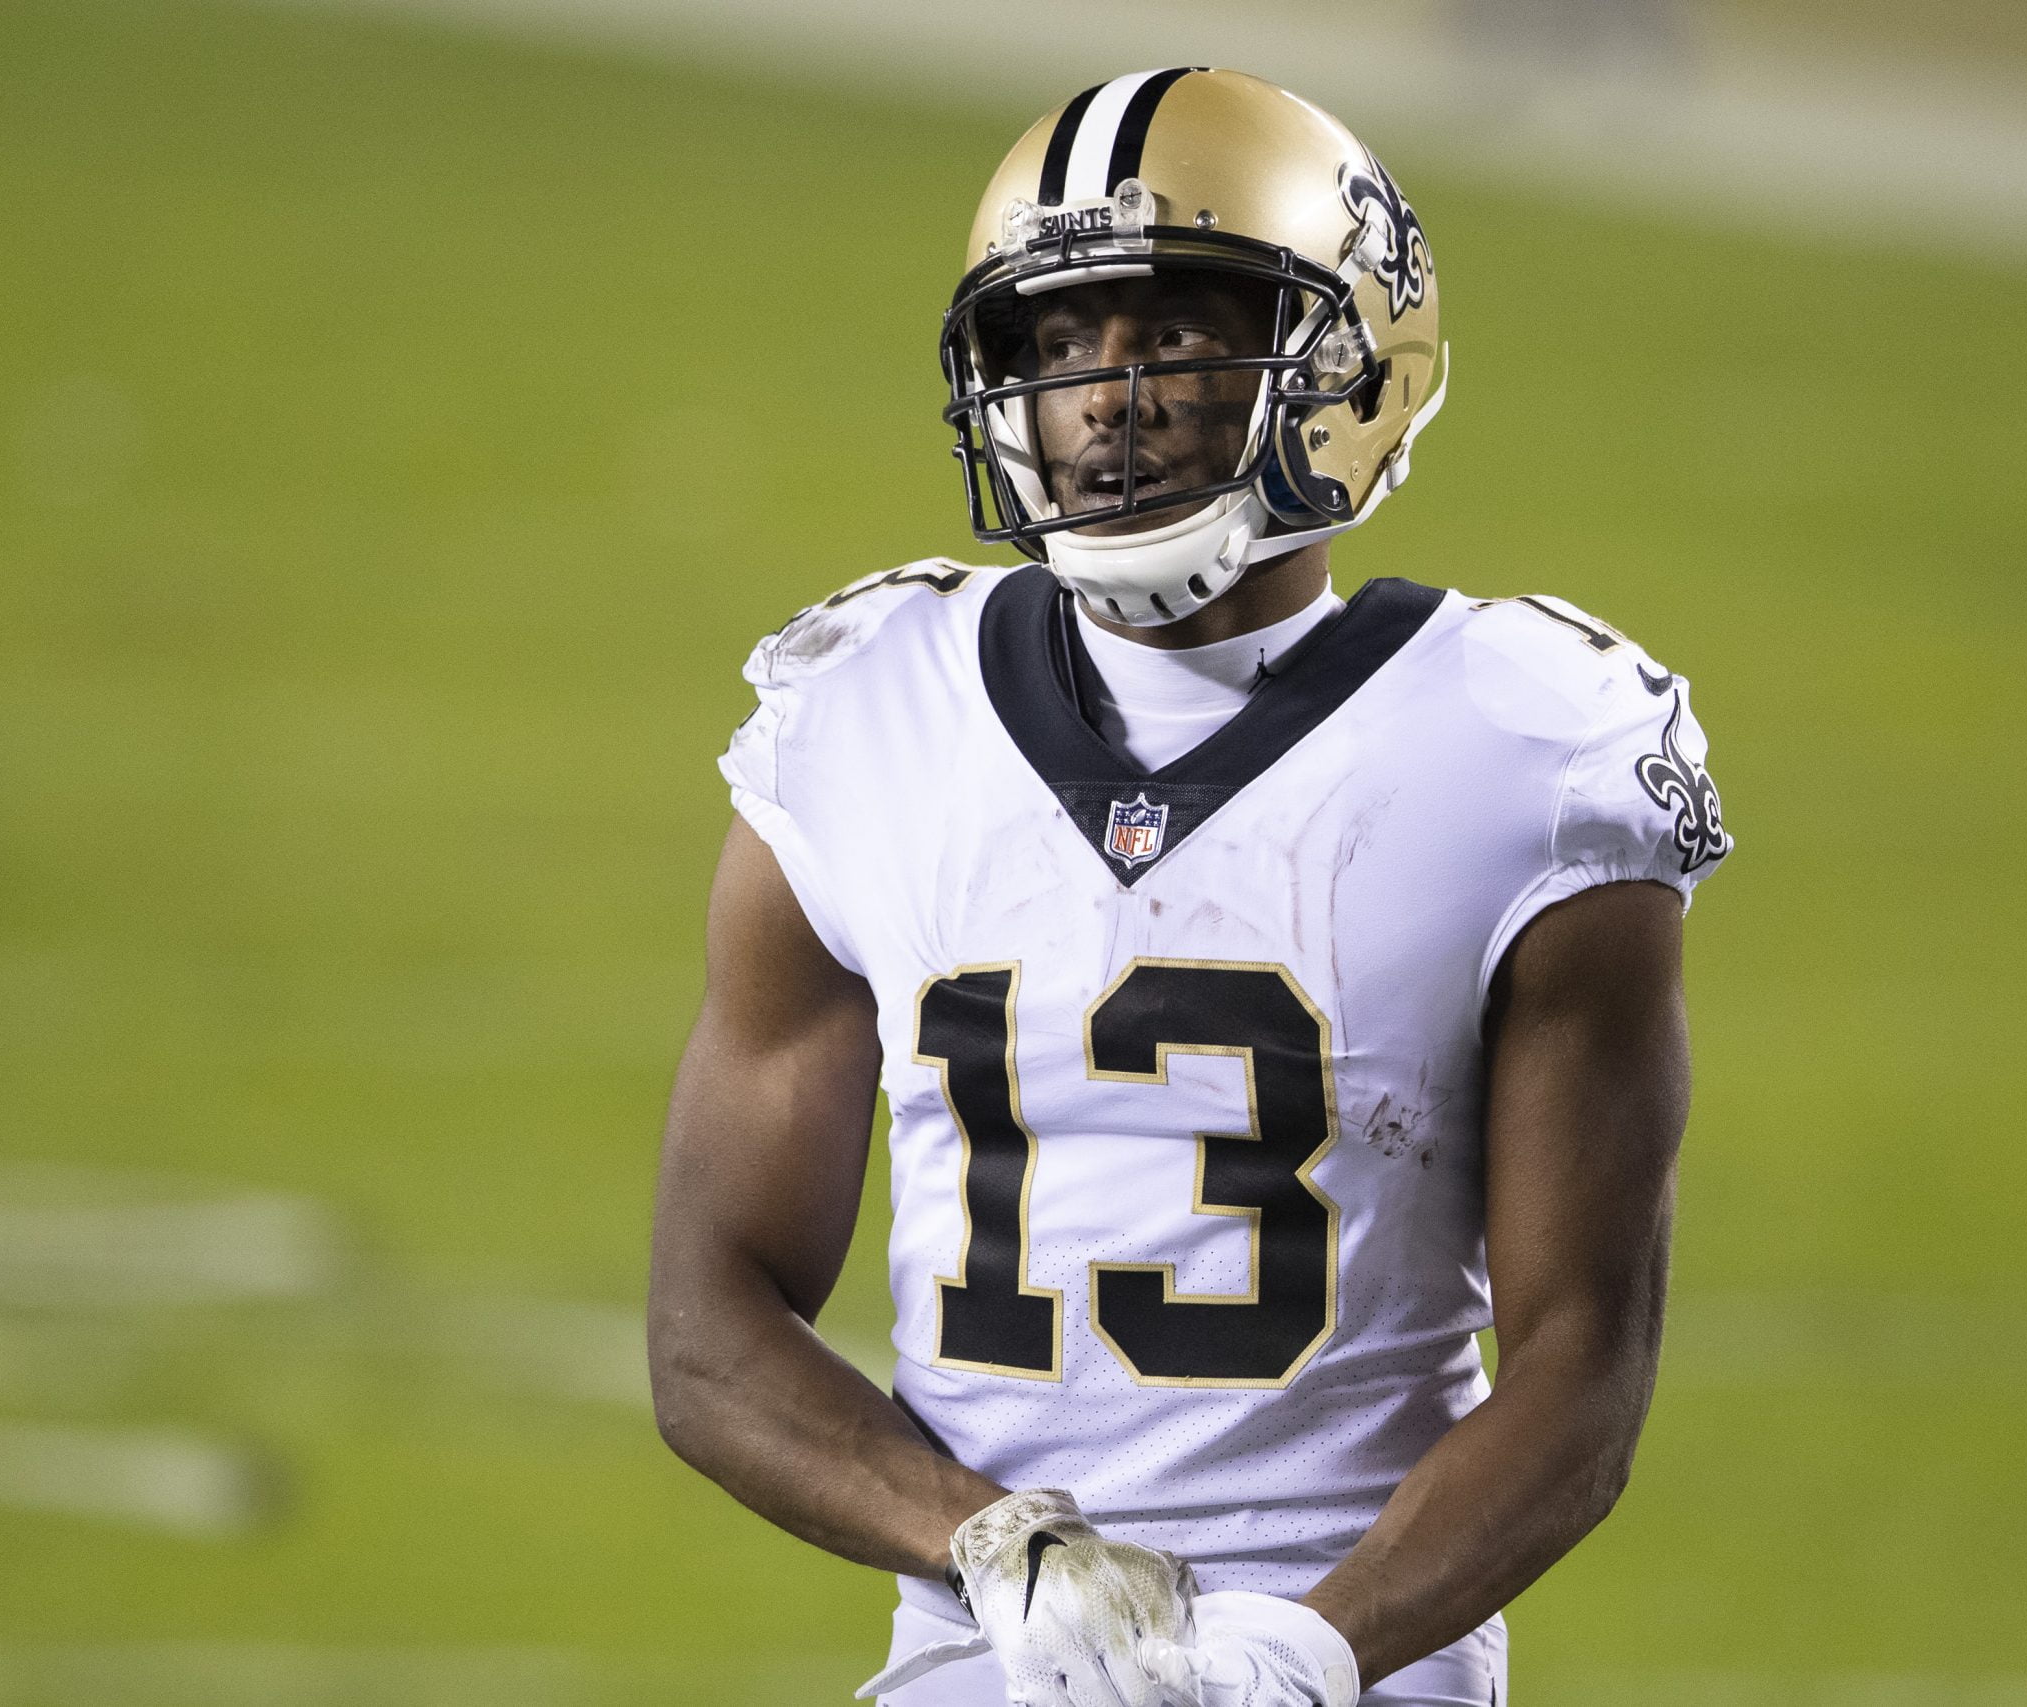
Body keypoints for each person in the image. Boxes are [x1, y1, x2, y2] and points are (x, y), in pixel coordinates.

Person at [647, 67, 1731, 1707]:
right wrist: (992, 1547)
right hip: (986, 1663)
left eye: (1173, 333)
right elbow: (706, 1326)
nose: (1109, 395)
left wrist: (1310, 1647)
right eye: (1059, 343)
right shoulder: (863, 713)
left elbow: (1585, 1367)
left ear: (1351, 365)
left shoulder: (1526, 749)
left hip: (1359, 1665)